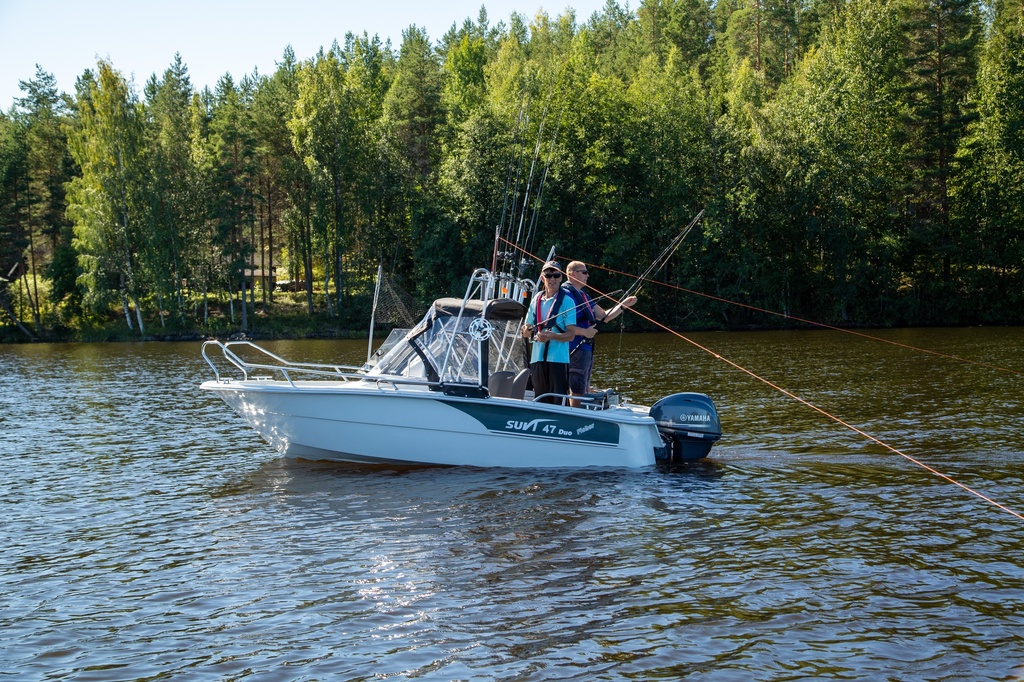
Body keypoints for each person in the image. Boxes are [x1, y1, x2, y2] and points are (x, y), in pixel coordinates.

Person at [564, 260, 638, 403]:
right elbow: (563, 325)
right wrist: (584, 332)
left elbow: (604, 316)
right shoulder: (565, 295)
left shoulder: (584, 295)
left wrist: (623, 305)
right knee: (577, 389)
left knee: (582, 388)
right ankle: (574, 412)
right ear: (572, 274)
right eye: (584, 272)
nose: (587, 275)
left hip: (586, 347)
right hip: (573, 347)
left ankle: (581, 409)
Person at [521, 261, 578, 405]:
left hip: (558, 360)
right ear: (542, 278)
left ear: (561, 277)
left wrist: (552, 336)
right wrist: (526, 330)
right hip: (537, 359)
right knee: (540, 401)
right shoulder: (536, 300)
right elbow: (526, 329)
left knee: (559, 401)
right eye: (548, 275)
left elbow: (571, 335)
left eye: (556, 275)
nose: (552, 279)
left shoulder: (568, 301)